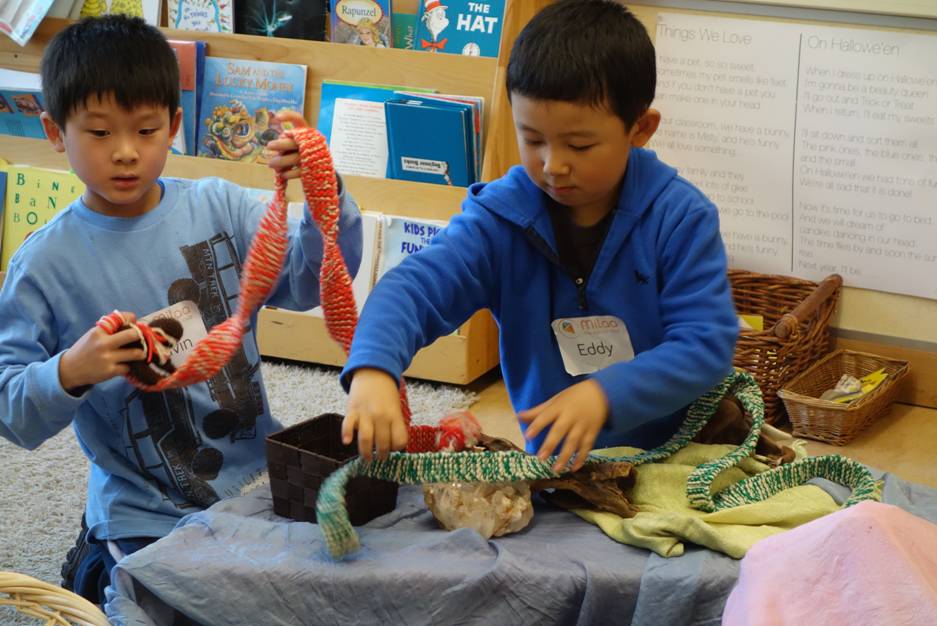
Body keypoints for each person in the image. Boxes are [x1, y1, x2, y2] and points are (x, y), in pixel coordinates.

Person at [0, 15, 362, 603]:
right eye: (98, 133)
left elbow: (312, 282)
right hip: (144, 507)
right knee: (161, 601)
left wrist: (327, 194)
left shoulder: (221, 206)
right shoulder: (44, 266)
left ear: (173, 125)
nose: (125, 153)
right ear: (54, 131)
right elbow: (11, 411)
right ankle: (92, 556)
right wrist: (70, 370)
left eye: (145, 130)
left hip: (256, 484)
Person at [340, 0, 739, 472]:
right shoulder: (498, 220)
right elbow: (414, 288)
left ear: (641, 128)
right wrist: (373, 368)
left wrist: (602, 395)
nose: (554, 164)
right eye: (532, 139)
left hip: (681, 452)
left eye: (580, 144)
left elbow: (705, 343)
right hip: (559, 465)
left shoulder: (681, 217)